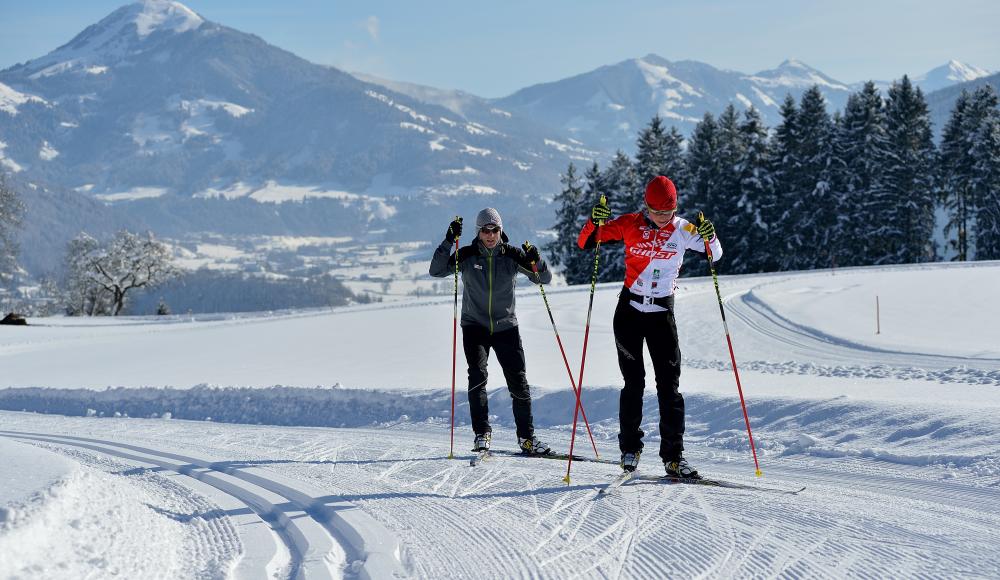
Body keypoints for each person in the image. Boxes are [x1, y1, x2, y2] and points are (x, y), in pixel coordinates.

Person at [576, 176, 721, 478]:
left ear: (675, 208)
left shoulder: (683, 229)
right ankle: (630, 448)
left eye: (666, 213)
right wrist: (594, 221)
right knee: (634, 382)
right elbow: (587, 241)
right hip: (629, 311)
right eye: (655, 212)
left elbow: (714, 253)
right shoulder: (630, 223)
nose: (661, 218)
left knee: (669, 386)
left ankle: (673, 457)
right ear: (646, 206)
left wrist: (710, 235)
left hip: (661, 315)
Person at [429, 207, 554, 455]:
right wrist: (447, 241)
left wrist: (536, 260)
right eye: (485, 230)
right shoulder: (466, 255)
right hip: (474, 326)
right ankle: (482, 434)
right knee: (477, 377)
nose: (490, 235)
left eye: (494, 229)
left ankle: (527, 439)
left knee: (518, 382)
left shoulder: (512, 255)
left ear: (500, 230)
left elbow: (544, 278)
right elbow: (436, 270)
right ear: (478, 232)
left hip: (506, 326)